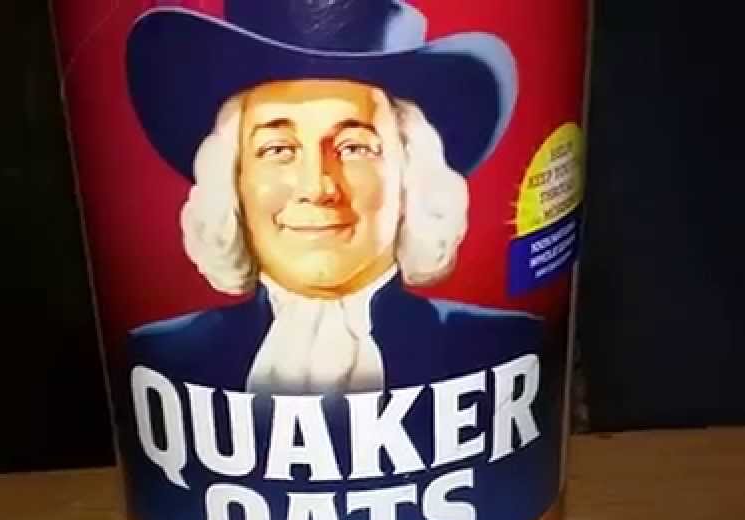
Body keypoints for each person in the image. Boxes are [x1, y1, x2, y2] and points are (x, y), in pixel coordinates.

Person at [124, 0, 542, 395]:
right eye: (278, 149)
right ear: (233, 179)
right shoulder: (163, 356)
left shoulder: (502, 344)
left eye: (354, 147)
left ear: (411, 172)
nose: (317, 188)